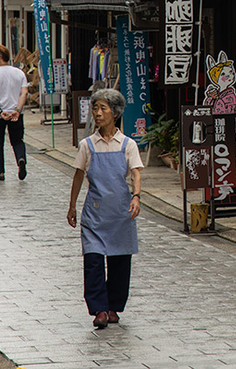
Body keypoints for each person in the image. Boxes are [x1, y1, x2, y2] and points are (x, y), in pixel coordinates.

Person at [66, 89, 143, 330]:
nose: (97, 113)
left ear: (116, 113)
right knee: (93, 261)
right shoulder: (87, 145)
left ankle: (113, 307)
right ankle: (99, 309)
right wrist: (72, 206)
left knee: (120, 263)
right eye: (95, 108)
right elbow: (78, 177)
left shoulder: (128, 144)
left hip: (121, 213)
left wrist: (137, 196)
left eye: (103, 109)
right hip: (95, 215)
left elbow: (136, 172)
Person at [0, 44, 28, 180]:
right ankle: (21, 158)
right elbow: (24, 93)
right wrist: (17, 110)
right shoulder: (19, 73)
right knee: (17, 140)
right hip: (16, 113)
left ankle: (0, 172)